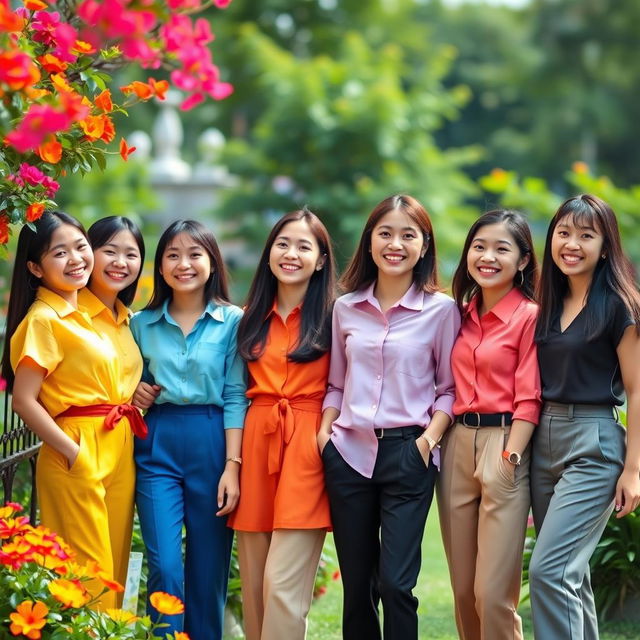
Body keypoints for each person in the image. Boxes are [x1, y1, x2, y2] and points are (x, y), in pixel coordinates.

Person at [317, 194, 460, 640]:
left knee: (398, 584)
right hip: (349, 454)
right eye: (385, 233)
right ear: (370, 241)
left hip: (408, 454)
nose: (394, 244)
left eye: (407, 235)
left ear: (424, 246)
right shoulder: (345, 308)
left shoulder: (442, 310)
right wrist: (326, 435)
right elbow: (336, 384)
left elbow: (449, 389)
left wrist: (428, 441)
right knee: (358, 588)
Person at [3, 211, 145, 608]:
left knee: (113, 571)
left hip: (118, 445)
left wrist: (136, 397)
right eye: (59, 253)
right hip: (78, 448)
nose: (76, 259)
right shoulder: (43, 319)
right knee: (88, 575)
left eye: (80, 247)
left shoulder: (96, 313)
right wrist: (72, 451)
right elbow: (23, 400)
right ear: (35, 267)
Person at [528, 194, 640, 639]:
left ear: (605, 246)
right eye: (564, 232)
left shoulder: (619, 306)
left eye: (586, 236)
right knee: (569, 575)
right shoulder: (545, 303)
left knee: (549, 571)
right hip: (542, 439)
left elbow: (636, 389)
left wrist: (633, 470)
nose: (572, 244)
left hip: (593, 441)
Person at [130, 219, 247, 640]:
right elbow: (126, 385)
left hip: (214, 441)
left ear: (212, 263)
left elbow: (236, 394)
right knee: (164, 563)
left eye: (195, 254)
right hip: (157, 441)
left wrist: (232, 466)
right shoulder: (138, 324)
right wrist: (137, 393)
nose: (184, 264)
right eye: (173, 256)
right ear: (159, 267)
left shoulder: (234, 321)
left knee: (208, 566)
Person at [228, 208, 336, 640]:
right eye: (283, 244)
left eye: (303, 246)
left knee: (283, 585)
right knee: (254, 585)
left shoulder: (338, 315)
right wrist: (233, 465)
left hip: (307, 445)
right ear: (269, 251)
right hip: (257, 442)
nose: (291, 254)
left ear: (322, 260)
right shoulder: (247, 315)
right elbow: (232, 390)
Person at [438, 209, 541, 640]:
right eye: (479, 247)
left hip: (505, 442)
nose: (487, 257)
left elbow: (530, 395)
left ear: (522, 262)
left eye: (502, 248)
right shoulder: (457, 315)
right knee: (463, 590)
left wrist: (510, 457)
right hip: (457, 442)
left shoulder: (530, 316)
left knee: (492, 593)